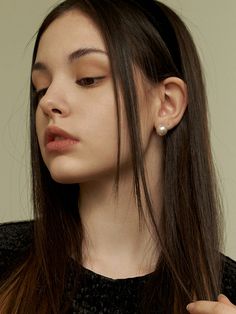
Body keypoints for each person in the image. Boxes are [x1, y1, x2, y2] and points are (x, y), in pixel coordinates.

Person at [0, 0, 235, 313]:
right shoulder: (6, 261)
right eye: (41, 88)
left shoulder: (226, 292)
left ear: (166, 104)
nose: (49, 102)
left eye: (88, 78)